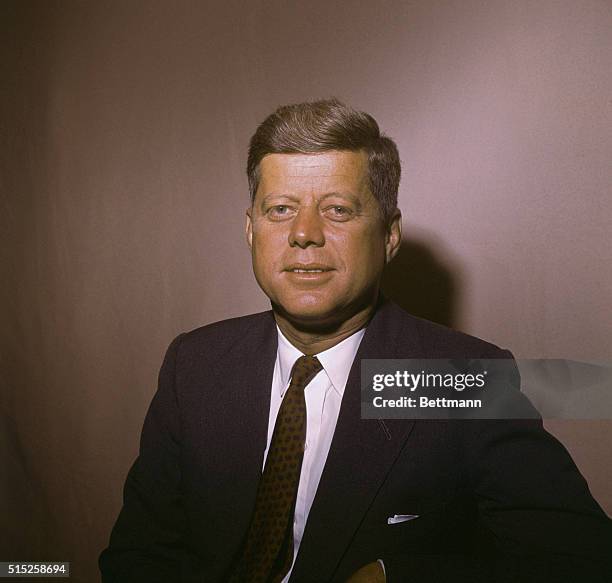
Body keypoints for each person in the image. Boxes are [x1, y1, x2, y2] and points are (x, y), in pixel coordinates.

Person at [99, 99, 611, 582]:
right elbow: (138, 556)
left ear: (390, 236)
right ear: (251, 230)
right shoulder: (195, 364)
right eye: (280, 209)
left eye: (338, 210)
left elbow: (580, 560)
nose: (304, 233)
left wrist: (402, 576)